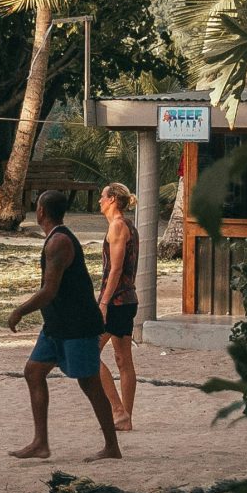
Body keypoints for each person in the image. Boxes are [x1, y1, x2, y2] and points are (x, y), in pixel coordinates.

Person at [5, 186, 122, 462]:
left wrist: (20, 311)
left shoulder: (59, 242)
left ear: (41, 211)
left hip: (77, 325)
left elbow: (50, 290)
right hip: (56, 324)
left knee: (90, 384)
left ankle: (112, 446)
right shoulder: (55, 239)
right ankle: (40, 442)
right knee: (33, 372)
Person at [97, 180, 141, 432]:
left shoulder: (117, 227)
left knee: (90, 353)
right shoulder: (130, 226)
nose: (100, 200)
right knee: (123, 359)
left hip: (116, 300)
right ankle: (126, 417)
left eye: (103, 196)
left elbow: (114, 270)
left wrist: (103, 302)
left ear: (113, 199)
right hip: (127, 299)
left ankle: (117, 410)